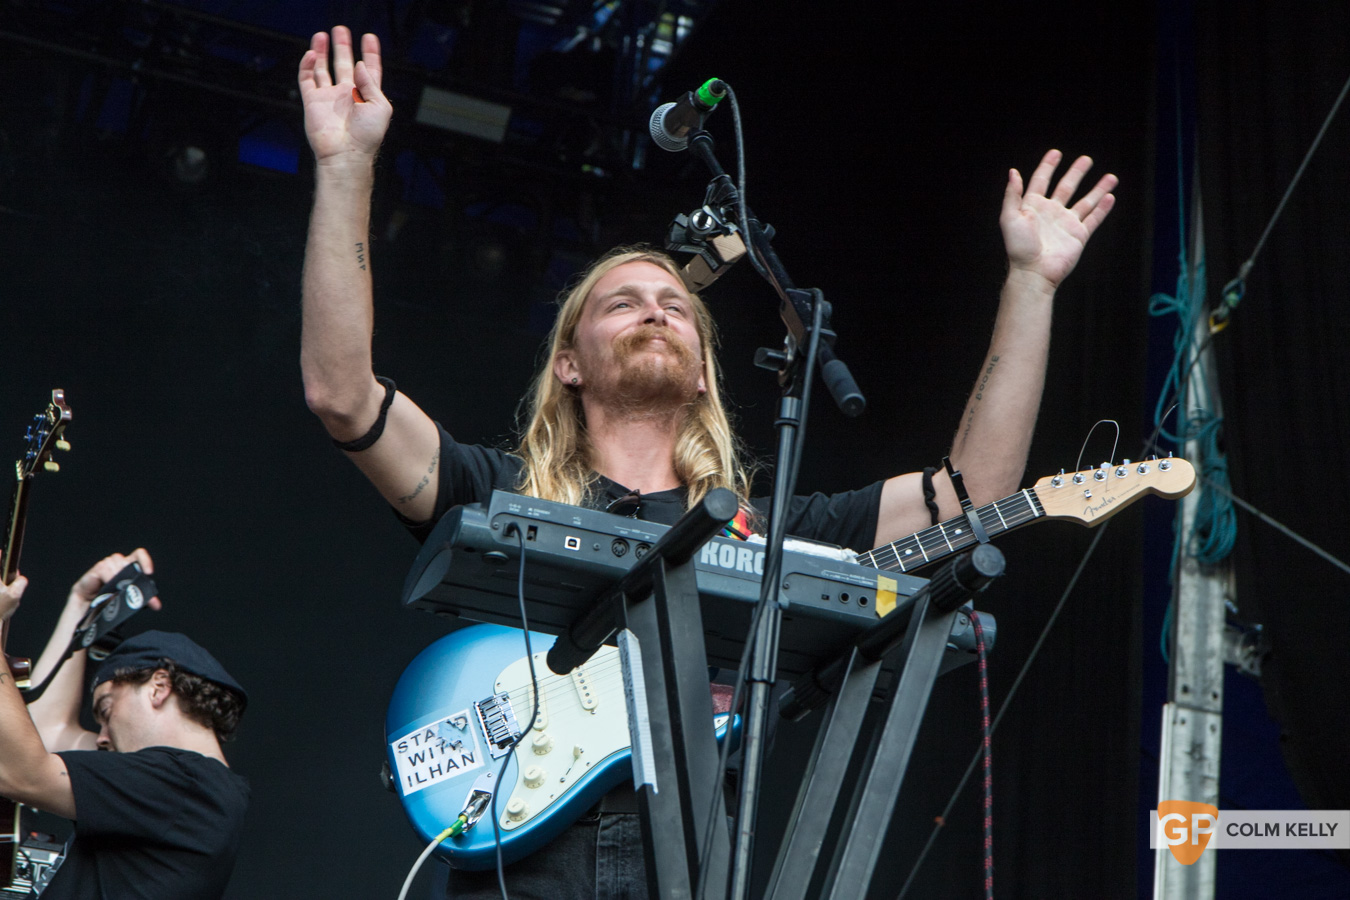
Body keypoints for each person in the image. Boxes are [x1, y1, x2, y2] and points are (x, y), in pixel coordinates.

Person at [297, 25, 1116, 899]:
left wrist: (1031, 285)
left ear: (700, 373)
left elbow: (968, 494)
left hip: (689, 862)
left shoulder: (771, 532)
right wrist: (346, 168)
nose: (655, 311)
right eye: (621, 303)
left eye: (676, 307)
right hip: (526, 856)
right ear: (568, 362)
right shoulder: (501, 492)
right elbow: (343, 394)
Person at [0, 550, 250, 900]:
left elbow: (20, 772)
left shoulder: (187, 785)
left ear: (159, 687)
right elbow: (45, 734)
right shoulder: (184, 790)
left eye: (106, 709)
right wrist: (82, 605)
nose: (100, 738)